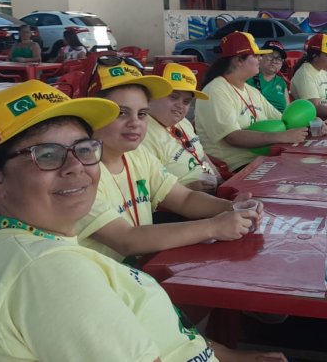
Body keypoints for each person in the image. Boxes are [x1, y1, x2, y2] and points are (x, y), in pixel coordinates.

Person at [0, 80, 286, 361]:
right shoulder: (50, 272)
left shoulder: (44, 246)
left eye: (83, 148)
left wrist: (228, 355)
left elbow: (162, 333)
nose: (75, 166)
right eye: (47, 154)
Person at [76, 56, 261, 262]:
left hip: (141, 268)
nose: (135, 123)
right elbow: (125, 239)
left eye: (142, 113)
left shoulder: (136, 155)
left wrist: (231, 208)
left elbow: (184, 198)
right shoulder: (76, 172)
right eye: (121, 113)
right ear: (90, 114)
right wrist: (213, 227)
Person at [195, 32, 309, 171]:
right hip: (237, 166)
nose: (260, 60)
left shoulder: (251, 91)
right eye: (255, 56)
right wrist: (281, 136)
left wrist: (312, 123)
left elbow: (283, 120)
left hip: (262, 160)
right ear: (238, 60)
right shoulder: (216, 90)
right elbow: (233, 137)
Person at [141, 62, 222, 193]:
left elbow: (200, 156)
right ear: (151, 96)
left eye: (186, 101)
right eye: (173, 97)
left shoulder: (183, 122)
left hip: (209, 192)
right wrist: (187, 190)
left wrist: (218, 178)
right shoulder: (141, 134)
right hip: (179, 205)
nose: (180, 106)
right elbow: (147, 191)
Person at [290, 33, 327, 118]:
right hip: (323, 122)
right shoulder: (304, 74)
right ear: (315, 56)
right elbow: (315, 108)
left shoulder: (325, 74)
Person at [247, 40, 291, 112]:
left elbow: (288, 109)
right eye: (270, 56)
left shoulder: (281, 82)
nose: (274, 61)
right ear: (260, 57)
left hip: (281, 120)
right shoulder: (248, 77)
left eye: (279, 59)